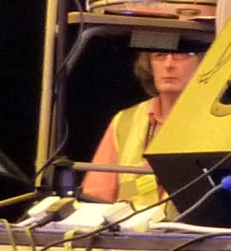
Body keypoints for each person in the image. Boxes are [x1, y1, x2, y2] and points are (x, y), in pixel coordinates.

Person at [80, 48, 199, 208]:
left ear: (204, 62)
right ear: (149, 65)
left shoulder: (221, 120)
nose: (169, 64)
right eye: (160, 55)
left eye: (182, 54)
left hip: (192, 231)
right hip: (128, 230)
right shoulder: (124, 121)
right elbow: (94, 198)